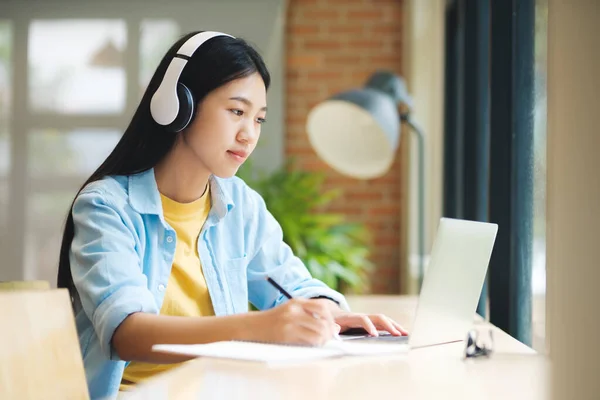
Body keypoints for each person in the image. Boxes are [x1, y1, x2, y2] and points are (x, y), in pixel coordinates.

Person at [57, 31, 407, 399]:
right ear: (178, 105)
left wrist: (328, 314)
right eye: (237, 112)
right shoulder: (106, 206)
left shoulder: (241, 206)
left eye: (259, 119)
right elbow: (128, 334)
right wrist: (259, 326)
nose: (248, 135)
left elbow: (294, 287)